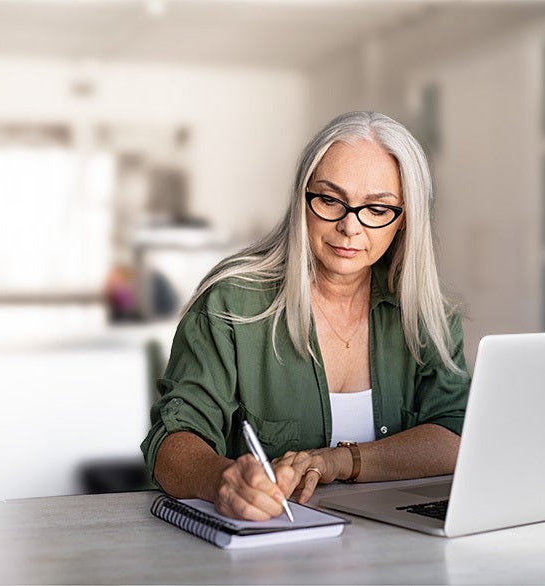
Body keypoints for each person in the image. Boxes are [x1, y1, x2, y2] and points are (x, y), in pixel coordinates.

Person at [141, 111, 470, 521]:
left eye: (377, 208)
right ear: (302, 200)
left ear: (404, 220)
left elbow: (455, 435)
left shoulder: (427, 313)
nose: (350, 227)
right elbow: (171, 441)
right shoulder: (230, 302)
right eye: (330, 200)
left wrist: (338, 461)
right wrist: (220, 479)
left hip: (400, 543)